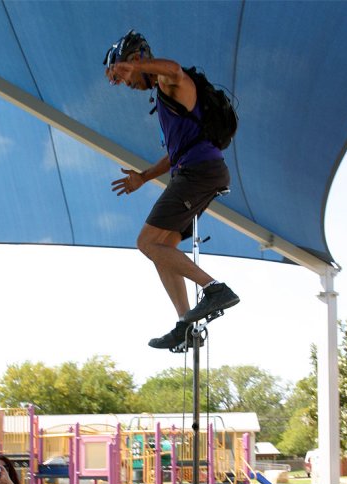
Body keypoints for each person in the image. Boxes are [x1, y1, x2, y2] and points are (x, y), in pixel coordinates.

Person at [104, 30, 240, 351]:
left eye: (125, 72)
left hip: (197, 174)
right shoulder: (166, 101)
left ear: (137, 58)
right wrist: (143, 176)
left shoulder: (169, 82)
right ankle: (185, 323)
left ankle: (215, 289)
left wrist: (139, 67)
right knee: (161, 248)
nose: (126, 82)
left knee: (146, 242)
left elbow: (175, 69)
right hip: (197, 171)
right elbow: (177, 151)